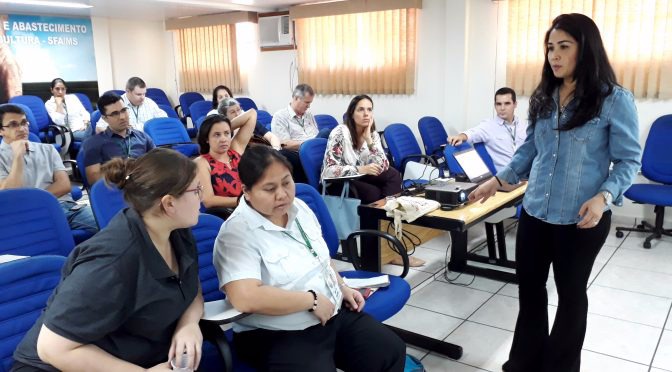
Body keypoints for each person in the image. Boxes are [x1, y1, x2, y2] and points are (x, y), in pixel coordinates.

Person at [469, 14, 641, 372]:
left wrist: (604, 196)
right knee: (529, 293)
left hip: (581, 218)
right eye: (550, 48)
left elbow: (628, 160)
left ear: (586, 49)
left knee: (571, 298)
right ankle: (524, 363)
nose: (554, 55)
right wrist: (498, 181)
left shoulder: (613, 99)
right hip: (534, 214)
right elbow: (531, 148)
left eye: (564, 46)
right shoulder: (544, 96)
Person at [213, 145, 406, 371]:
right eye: (269, 188)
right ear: (247, 191)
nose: (282, 194)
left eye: (286, 183)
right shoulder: (236, 233)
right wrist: (311, 300)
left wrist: (341, 286)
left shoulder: (299, 208)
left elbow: (320, 258)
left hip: (330, 314)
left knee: (389, 350)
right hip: (277, 333)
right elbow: (246, 298)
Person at [12, 148, 205, 372]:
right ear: (169, 204)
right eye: (196, 190)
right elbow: (52, 348)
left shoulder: (175, 231)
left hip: (131, 358)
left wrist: (188, 324)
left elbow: (190, 286)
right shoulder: (111, 262)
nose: (202, 196)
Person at [0, 104, 97, 235]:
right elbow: (12, 195)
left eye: (24, 123)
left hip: (64, 208)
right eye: (13, 124)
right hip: (25, 217)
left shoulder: (48, 149)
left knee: (114, 222)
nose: (22, 128)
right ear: (1, 130)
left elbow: (64, 185)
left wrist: (32, 200)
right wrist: (18, 157)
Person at [322, 94, 402, 204]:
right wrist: (361, 169)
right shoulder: (339, 133)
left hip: (360, 176)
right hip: (339, 181)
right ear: (352, 114)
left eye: (369, 110)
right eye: (361, 110)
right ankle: (375, 216)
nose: (366, 114)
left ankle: (384, 213)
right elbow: (329, 171)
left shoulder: (372, 134)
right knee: (373, 193)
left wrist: (369, 141)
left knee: (393, 175)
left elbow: (384, 166)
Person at [218, 97, 307, 183]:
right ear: (224, 116)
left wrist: (276, 150)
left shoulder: (253, 123)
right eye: (232, 112)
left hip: (269, 151)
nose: (238, 114)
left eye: (238, 110)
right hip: (254, 160)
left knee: (292, 157)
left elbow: (272, 137)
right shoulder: (226, 134)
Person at [447, 87, 528, 172]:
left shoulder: (524, 125)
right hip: (507, 178)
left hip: (526, 174)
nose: (502, 108)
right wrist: (460, 137)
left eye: (507, 103)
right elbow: (471, 133)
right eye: (498, 104)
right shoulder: (488, 126)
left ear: (515, 104)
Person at [194, 109, 256, 218]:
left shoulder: (235, 149)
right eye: (217, 135)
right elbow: (209, 200)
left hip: (252, 205)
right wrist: (243, 200)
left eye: (226, 134)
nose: (223, 139)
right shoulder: (201, 162)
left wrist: (224, 125)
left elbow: (252, 114)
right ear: (206, 138)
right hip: (229, 213)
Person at [82, 93, 155, 184]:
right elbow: (94, 180)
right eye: (115, 114)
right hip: (115, 190)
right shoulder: (94, 143)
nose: (122, 117)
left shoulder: (143, 137)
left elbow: (156, 164)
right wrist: (123, 174)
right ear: (105, 118)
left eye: (124, 110)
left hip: (144, 187)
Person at [271, 83, 331, 151]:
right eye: (307, 102)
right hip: (298, 152)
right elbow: (283, 144)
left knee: (330, 133)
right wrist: (308, 144)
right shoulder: (280, 116)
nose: (309, 106)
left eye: (310, 103)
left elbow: (316, 134)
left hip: (316, 149)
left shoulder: (309, 114)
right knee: (325, 132)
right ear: (296, 98)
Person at [97, 77, 167, 132]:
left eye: (144, 93)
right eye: (138, 94)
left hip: (149, 142)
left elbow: (164, 122)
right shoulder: (116, 103)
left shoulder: (149, 102)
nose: (143, 97)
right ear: (128, 91)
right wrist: (119, 131)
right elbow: (99, 129)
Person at [44, 78, 91, 142]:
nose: (60, 92)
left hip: (85, 127)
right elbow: (60, 122)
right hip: (71, 132)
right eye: (57, 89)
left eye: (63, 89)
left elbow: (84, 112)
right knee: (95, 137)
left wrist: (85, 124)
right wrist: (59, 105)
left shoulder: (72, 97)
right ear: (52, 90)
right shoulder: (49, 104)